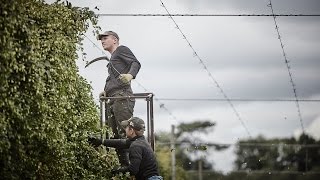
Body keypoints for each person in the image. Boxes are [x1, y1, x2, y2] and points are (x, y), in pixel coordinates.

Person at [97, 31, 141, 166]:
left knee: (125, 132)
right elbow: (112, 78)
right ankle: (124, 167)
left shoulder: (122, 49)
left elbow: (136, 63)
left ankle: (134, 167)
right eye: (101, 39)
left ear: (115, 40)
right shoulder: (113, 59)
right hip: (113, 97)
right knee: (114, 134)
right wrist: (106, 90)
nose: (102, 41)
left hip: (123, 95)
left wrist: (130, 75)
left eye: (105, 38)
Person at [89, 117, 163, 180]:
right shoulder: (141, 141)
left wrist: (116, 171)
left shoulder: (136, 146)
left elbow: (133, 170)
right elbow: (121, 143)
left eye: (126, 127)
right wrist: (101, 141)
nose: (125, 129)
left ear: (131, 131)